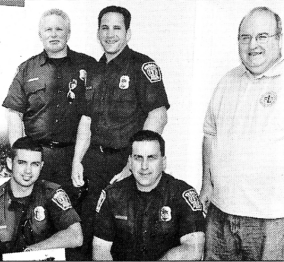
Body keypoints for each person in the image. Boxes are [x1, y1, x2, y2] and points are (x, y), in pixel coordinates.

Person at [71, 6, 170, 259]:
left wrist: (133, 164)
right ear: (97, 32)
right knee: (91, 231)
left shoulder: (142, 66)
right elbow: (86, 119)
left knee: (127, 235)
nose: (110, 34)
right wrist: (77, 161)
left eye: (117, 28)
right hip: (95, 161)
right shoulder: (92, 70)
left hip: (127, 162)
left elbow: (158, 115)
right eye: (105, 27)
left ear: (128, 33)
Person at [201, 7, 284, 260]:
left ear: (279, 39)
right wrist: (206, 183)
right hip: (220, 211)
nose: (253, 45)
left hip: (272, 219)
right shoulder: (228, 80)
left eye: (262, 36)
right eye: (245, 37)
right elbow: (210, 133)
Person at [1, 9, 97, 200]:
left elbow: (89, 117)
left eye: (59, 29)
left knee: (74, 216)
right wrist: (19, 157)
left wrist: (78, 160)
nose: (53, 34)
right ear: (40, 35)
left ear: (68, 34)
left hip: (75, 156)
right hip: (37, 158)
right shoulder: (27, 69)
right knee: (38, 218)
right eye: (48, 30)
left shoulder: (88, 66)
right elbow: (14, 114)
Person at [92, 130, 204, 260]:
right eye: (138, 157)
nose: (144, 166)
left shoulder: (181, 194)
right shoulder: (112, 195)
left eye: (151, 158)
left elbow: (193, 249)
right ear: (130, 161)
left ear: (163, 162)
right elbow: (100, 249)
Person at [0, 136, 82, 261]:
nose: (28, 170)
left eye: (34, 164)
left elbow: (76, 236)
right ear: (10, 163)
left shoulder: (51, 193)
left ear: (41, 166)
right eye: (22, 163)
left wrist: (31, 252)